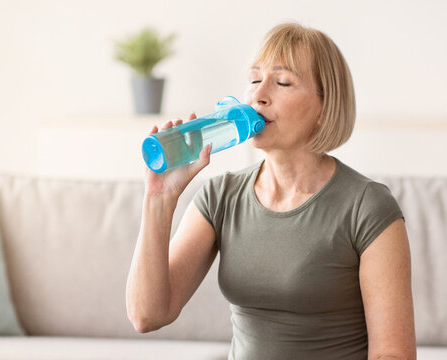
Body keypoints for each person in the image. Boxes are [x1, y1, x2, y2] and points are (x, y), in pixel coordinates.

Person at [125, 23, 416, 360]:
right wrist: (159, 199)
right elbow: (147, 315)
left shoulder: (368, 207)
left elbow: (393, 355)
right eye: (253, 80)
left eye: (282, 82)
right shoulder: (220, 196)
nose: (258, 95)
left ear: (325, 108)